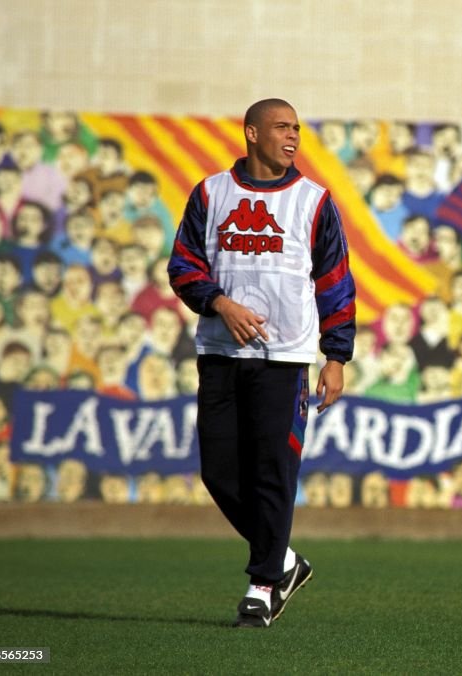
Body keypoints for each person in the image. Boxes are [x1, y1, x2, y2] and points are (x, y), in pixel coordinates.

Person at [167, 98, 356, 629]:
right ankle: (286, 561)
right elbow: (182, 265)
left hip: (286, 357)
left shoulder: (314, 201)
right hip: (220, 353)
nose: (292, 136)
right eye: (281, 127)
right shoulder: (210, 193)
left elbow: (336, 280)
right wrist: (220, 303)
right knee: (220, 472)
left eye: (296, 128)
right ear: (251, 133)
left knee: (274, 472)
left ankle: (263, 583)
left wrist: (336, 356)